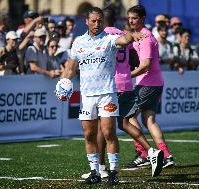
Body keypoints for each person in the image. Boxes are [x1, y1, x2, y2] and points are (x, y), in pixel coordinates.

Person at [57, 7, 147, 186]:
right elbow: (70, 68)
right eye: (94, 20)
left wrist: (131, 34)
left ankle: (113, 172)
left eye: (100, 20)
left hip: (107, 93)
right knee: (89, 135)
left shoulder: (109, 38)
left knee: (108, 132)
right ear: (87, 21)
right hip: (87, 95)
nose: (97, 24)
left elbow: (124, 40)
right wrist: (62, 83)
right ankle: (94, 172)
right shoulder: (78, 42)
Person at [81, 6, 164, 179]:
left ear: (103, 20)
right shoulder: (122, 34)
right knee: (124, 124)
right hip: (126, 84)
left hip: (111, 86)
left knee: (103, 130)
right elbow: (134, 58)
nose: (97, 23)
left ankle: (101, 168)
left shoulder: (105, 36)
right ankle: (151, 152)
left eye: (99, 20)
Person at [127, 5, 175, 168]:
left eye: (134, 18)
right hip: (154, 83)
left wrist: (127, 75)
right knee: (149, 120)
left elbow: (146, 65)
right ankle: (167, 155)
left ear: (142, 18)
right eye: (129, 18)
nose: (131, 20)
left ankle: (144, 153)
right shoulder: (140, 35)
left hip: (148, 84)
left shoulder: (146, 38)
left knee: (128, 116)